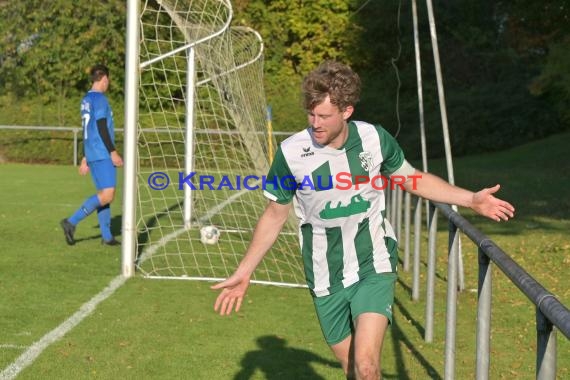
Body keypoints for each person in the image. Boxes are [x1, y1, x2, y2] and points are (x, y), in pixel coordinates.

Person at [212, 61, 515, 379]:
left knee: (368, 366)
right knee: (353, 368)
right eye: (311, 114)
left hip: (374, 262)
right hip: (324, 272)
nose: (315, 123)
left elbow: (412, 179)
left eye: (324, 116)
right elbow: (275, 215)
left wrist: (470, 199)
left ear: (346, 111)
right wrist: (244, 272)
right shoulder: (290, 153)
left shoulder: (374, 139)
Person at [60, 64, 123, 246]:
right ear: (104, 78)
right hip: (103, 152)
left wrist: (85, 156)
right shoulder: (100, 99)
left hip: (92, 151)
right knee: (108, 195)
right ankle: (71, 222)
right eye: (107, 80)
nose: (108, 83)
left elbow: (88, 129)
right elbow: (102, 126)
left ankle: (107, 236)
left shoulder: (86, 99)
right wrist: (113, 151)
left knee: (104, 193)